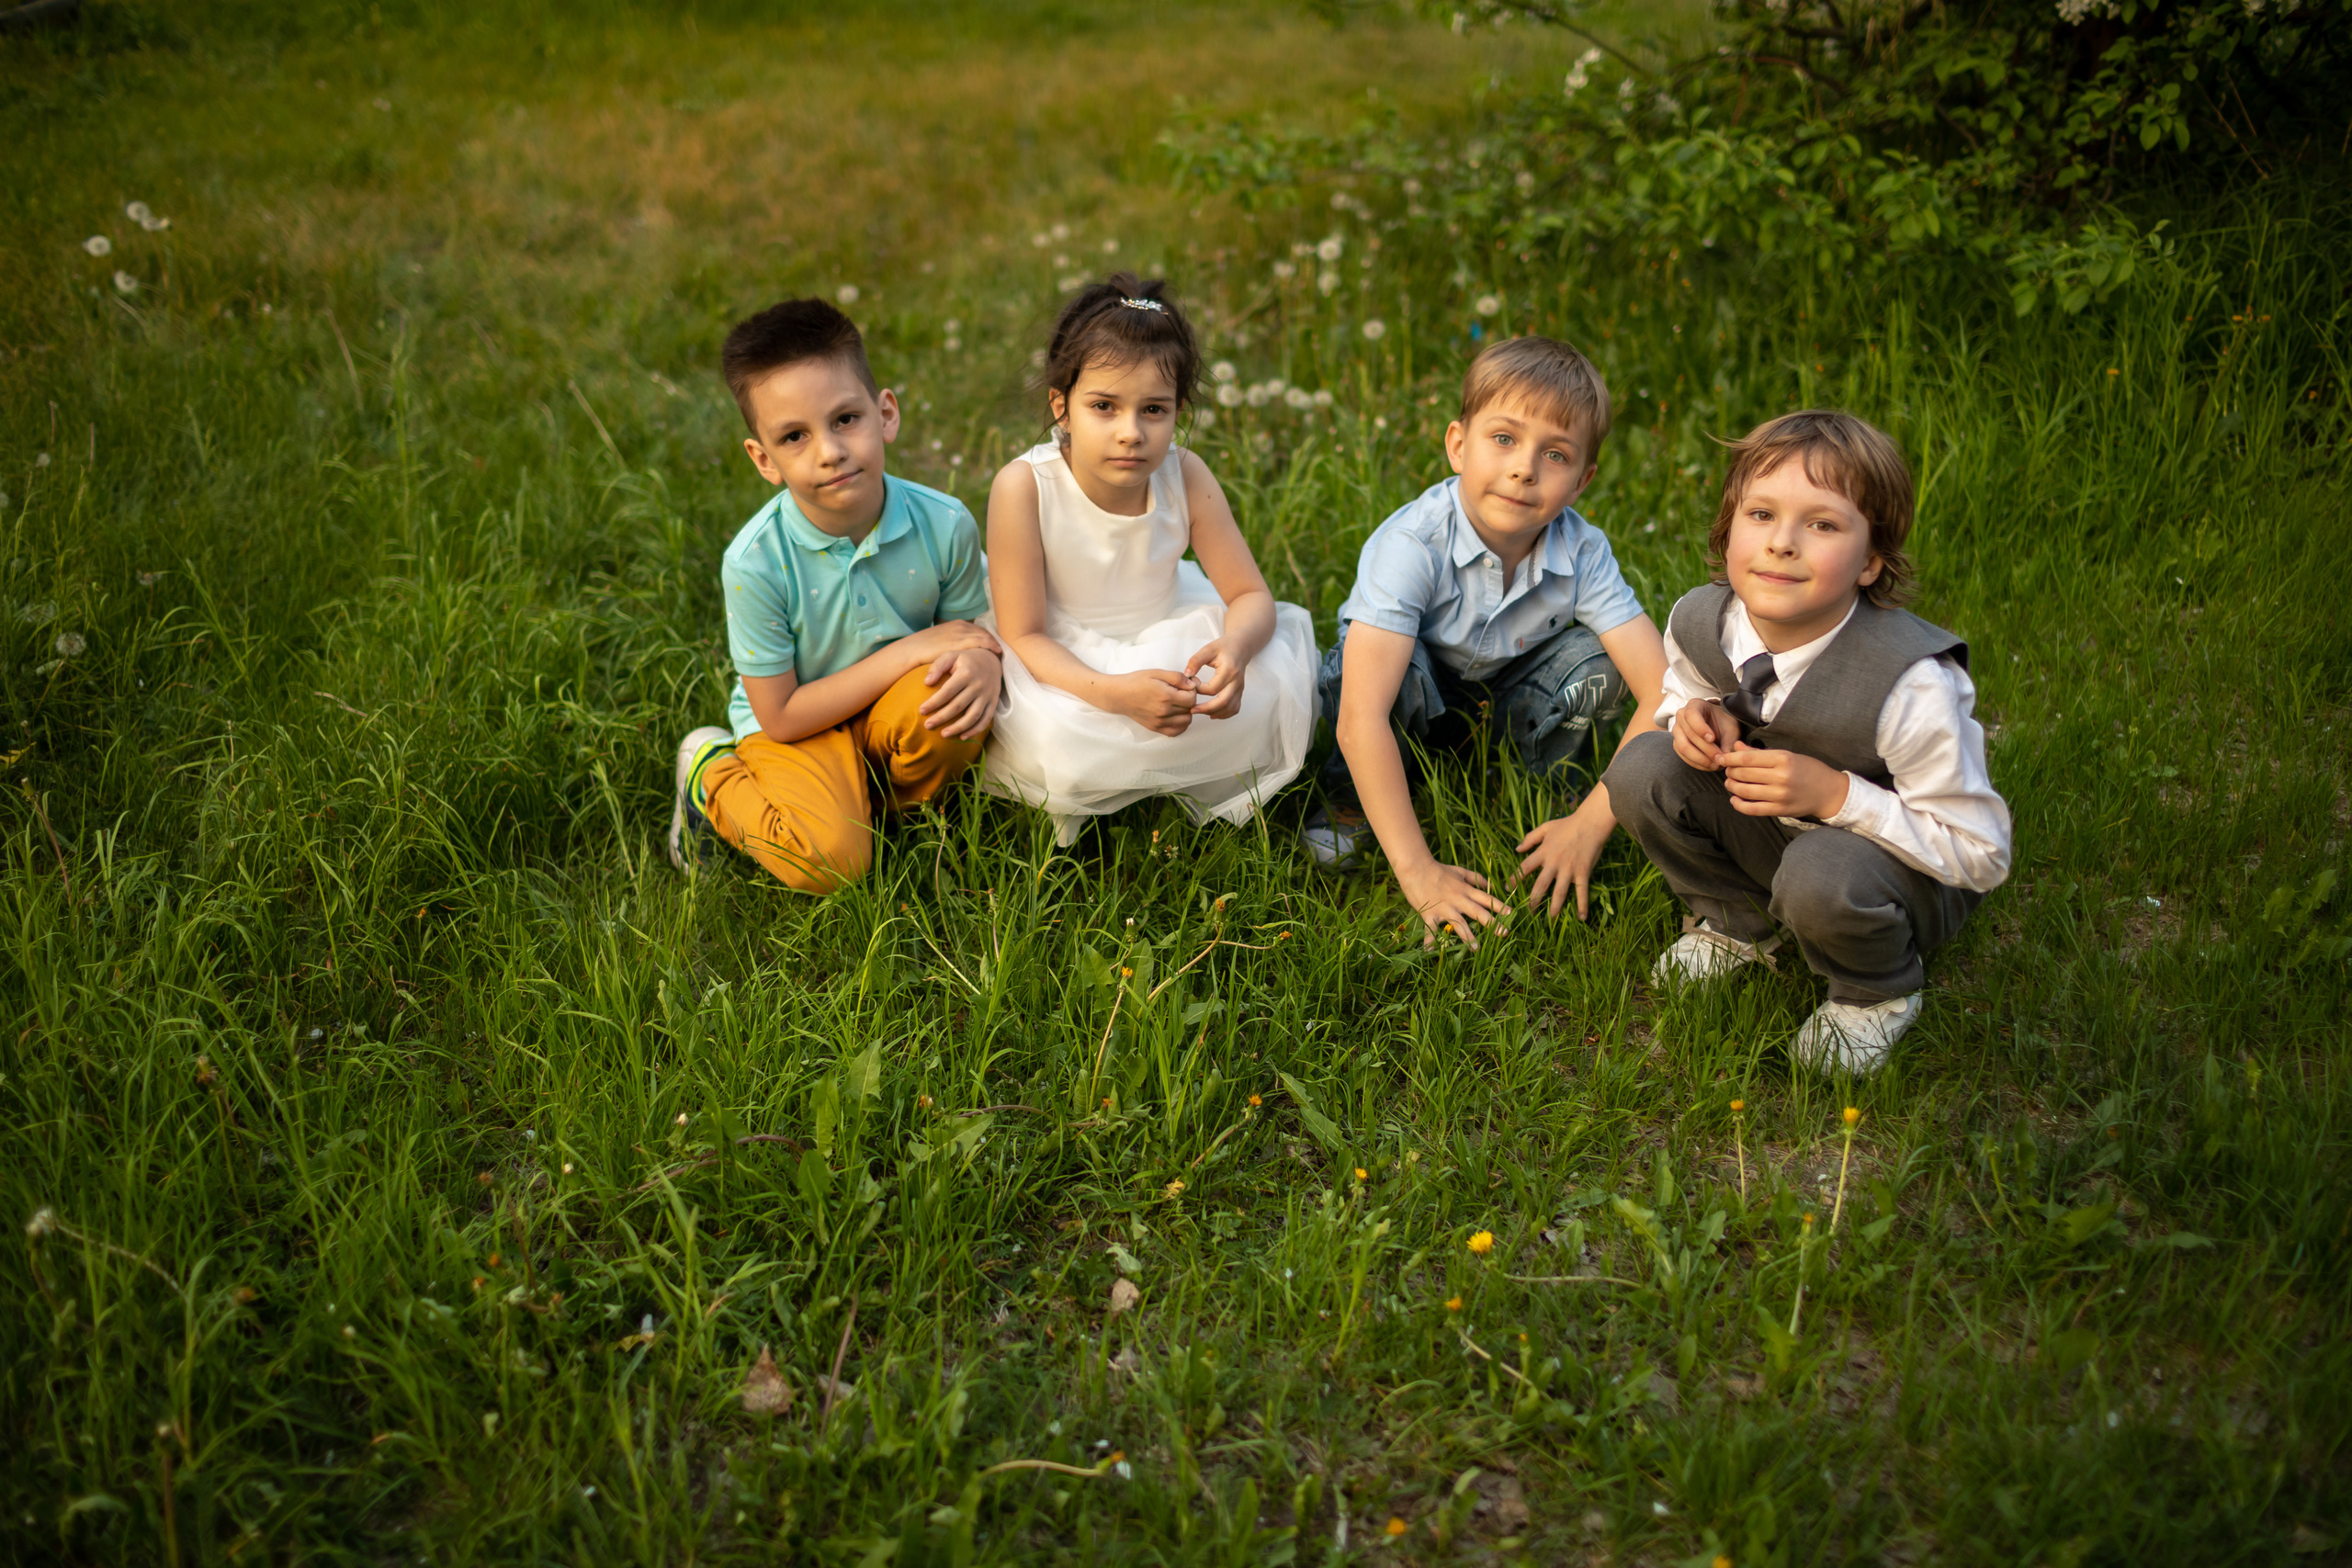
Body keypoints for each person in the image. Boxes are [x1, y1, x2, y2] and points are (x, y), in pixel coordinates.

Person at [1604, 410, 2011, 1075]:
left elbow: (1982, 856)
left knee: (1821, 870)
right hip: (1772, 833)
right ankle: (1739, 922)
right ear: (1728, 528)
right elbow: (1682, 688)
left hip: (1885, 872)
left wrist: (1838, 795)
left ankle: (1876, 990)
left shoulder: (1911, 685)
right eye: (1760, 514)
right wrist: (1696, 717)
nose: (1782, 542)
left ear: (1870, 562)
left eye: (1822, 524)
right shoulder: (1701, 619)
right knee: (1641, 768)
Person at [1309, 334, 1668, 946]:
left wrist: (1592, 823)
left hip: (1507, 692)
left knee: (1599, 667)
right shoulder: (1413, 544)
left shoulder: (1582, 550)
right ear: (1458, 445)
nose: (1524, 468)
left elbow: (1666, 692)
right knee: (1378, 677)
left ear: (1582, 481)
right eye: (1503, 439)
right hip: (1409, 692)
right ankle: (1349, 798)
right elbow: (1359, 716)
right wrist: (1420, 876)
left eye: (1555, 455)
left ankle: (1549, 799)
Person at [665, 298, 1002, 891]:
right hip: (795, 726)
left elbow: (965, 638)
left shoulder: (945, 524)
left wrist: (979, 661)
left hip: (889, 710)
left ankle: (880, 804)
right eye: (795, 436)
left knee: (956, 710)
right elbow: (782, 714)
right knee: (833, 863)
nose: (829, 450)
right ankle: (711, 773)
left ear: (886, 414)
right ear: (764, 459)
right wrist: (906, 653)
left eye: (845, 419)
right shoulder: (755, 563)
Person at [978, 273, 1317, 846]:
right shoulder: (1024, 486)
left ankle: (1167, 765)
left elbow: (1250, 596)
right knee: (1060, 740)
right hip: (1058, 650)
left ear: (1179, 408)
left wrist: (1234, 651)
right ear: (1061, 406)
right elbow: (1026, 635)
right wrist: (1112, 693)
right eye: (1104, 407)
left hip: (1165, 621)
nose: (1131, 433)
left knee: (1262, 695)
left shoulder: (1184, 474)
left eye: (1154, 410)